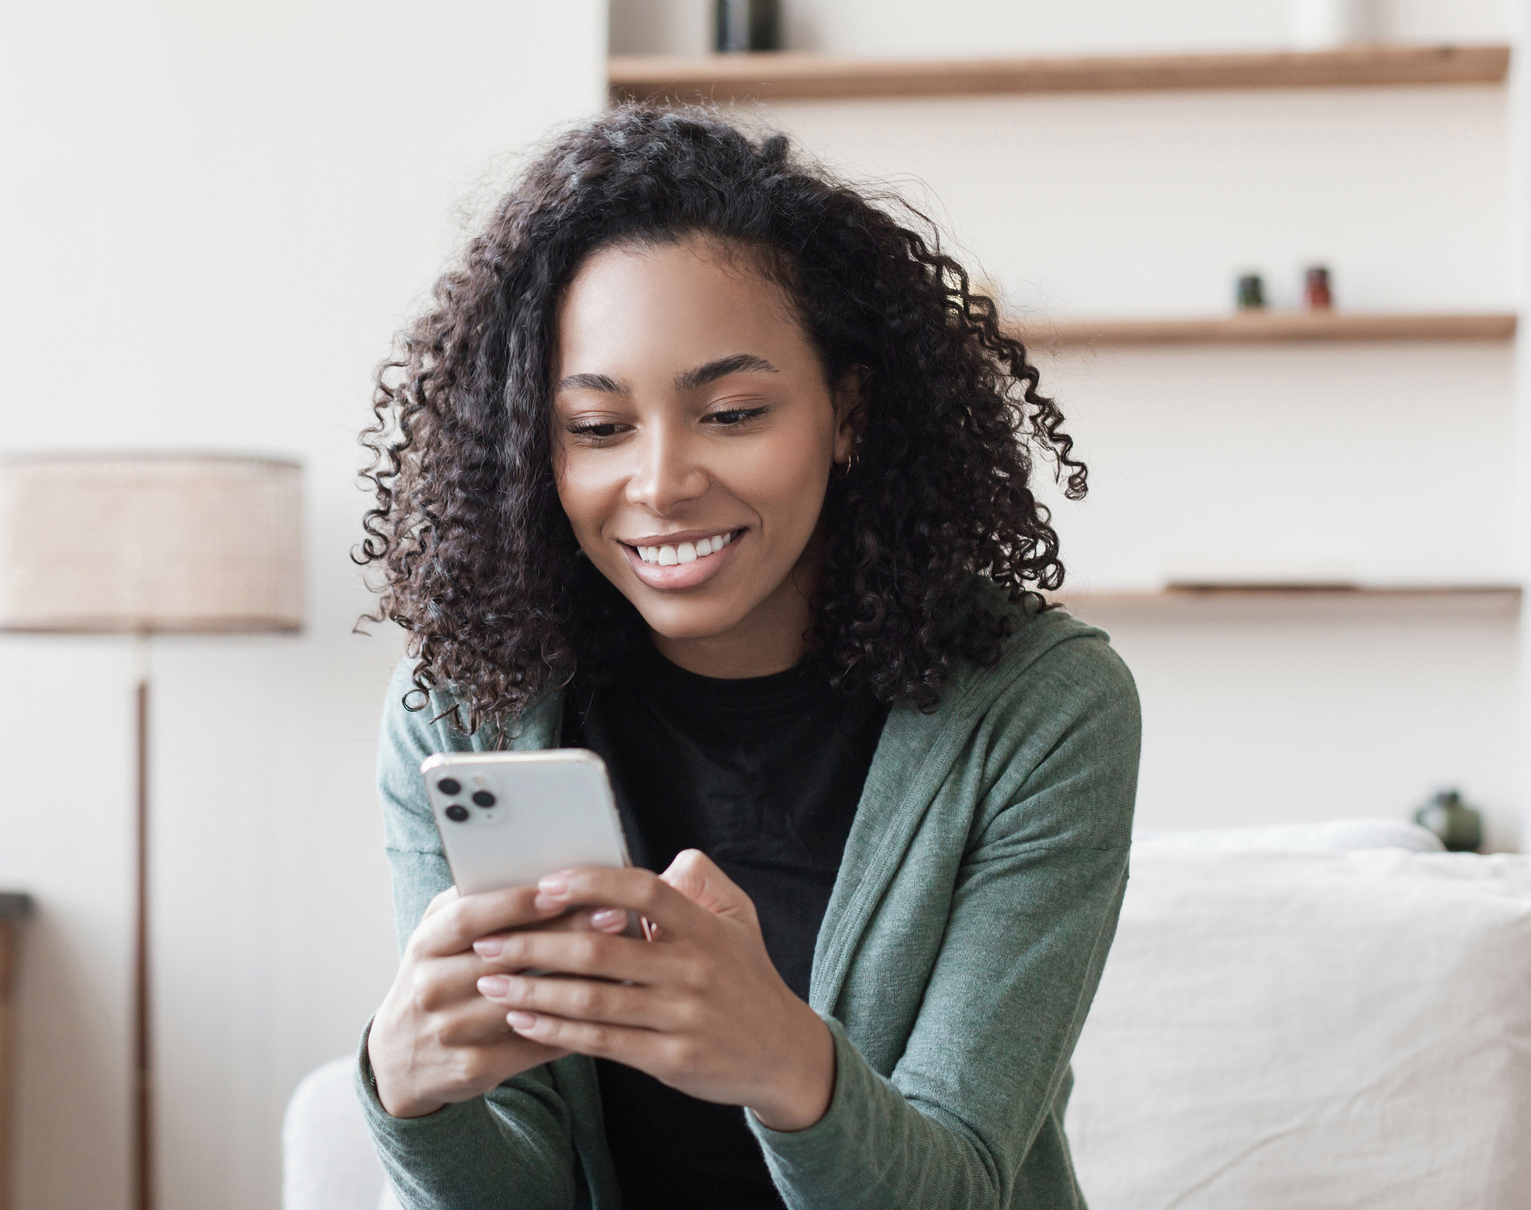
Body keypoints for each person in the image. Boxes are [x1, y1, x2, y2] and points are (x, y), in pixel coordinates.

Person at [351, 107, 1139, 1210]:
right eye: (596, 427)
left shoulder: (1035, 708)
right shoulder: (466, 703)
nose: (661, 481)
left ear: (845, 413)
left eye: (729, 411)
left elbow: (958, 1186)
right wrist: (408, 1094)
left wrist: (778, 1058)